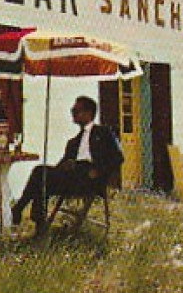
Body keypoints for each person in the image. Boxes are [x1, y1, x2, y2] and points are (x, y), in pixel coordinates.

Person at [11, 95, 123, 233]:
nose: (73, 114)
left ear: (89, 113)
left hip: (90, 177)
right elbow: (62, 164)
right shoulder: (73, 142)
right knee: (41, 176)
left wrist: (99, 171)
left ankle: (22, 210)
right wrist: (64, 165)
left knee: (41, 175)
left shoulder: (104, 133)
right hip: (72, 176)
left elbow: (118, 157)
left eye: (76, 111)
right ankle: (37, 222)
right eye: (72, 111)